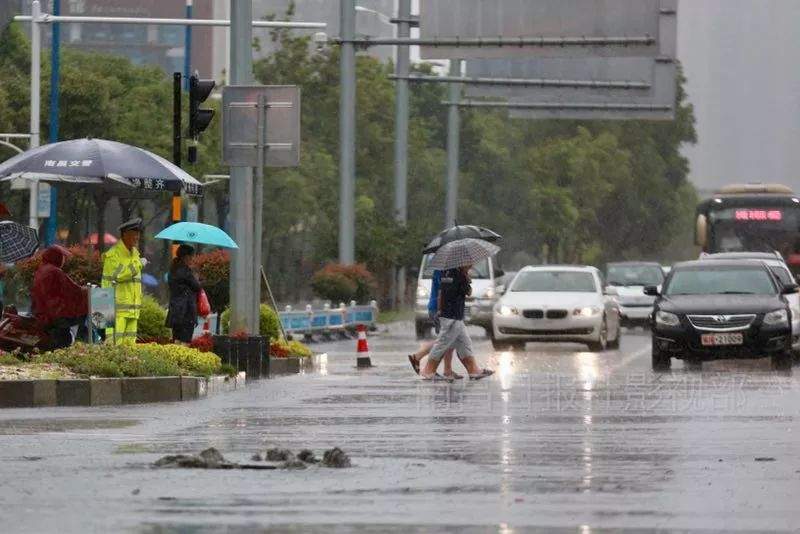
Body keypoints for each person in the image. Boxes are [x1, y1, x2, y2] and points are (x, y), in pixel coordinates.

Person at [420, 263, 493, 380]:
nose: (471, 264)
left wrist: (465, 276)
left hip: (455, 315)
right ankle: (428, 370)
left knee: (465, 342)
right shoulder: (454, 273)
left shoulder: (452, 272)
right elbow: (464, 292)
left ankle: (473, 370)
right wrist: (466, 278)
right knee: (442, 343)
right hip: (451, 316)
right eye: (469, 262)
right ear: (461, 262)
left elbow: (448, 292)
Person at [408, 268, 462, 379]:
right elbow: (441, 291)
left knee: (448, 340)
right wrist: (440, 310)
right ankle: (418, 357)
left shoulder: (448, 269)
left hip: (445, 308)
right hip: (440, 308)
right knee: (445, 340)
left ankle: (447, 370)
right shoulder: (442, 270)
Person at [31, 246, 88, 349]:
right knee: (90, 308)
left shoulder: (41, 270)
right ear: (56, 257)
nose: (63, 260)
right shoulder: (55, 271)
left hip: (43, 310)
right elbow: (73, 289)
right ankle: (85, 341)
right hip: (57, 312)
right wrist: (86, 290)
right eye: (62, 257)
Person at [102, 218, 145, 345]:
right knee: (114, 345)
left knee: (129, 347)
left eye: (138, 234)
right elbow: (119, 275)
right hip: (115, 309)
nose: (137, 237)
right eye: (134, 234)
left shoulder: (135, 253)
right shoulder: (114, 254)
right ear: (125, 234)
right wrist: (139, 264)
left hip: (132, 309)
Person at [166, 244, 202, 344]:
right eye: (192, 256)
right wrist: (197, 277)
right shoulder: (186, 271)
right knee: (185, 341)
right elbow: (197, 287)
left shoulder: (172, 270)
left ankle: (175, 359)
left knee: (176, 340)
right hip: (186, 311)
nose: (192, 259)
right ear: (186, 257)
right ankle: (183, 360)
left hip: (175, 310)